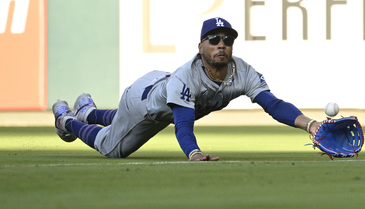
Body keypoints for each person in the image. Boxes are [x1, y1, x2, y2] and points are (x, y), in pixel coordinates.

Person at [52, 17, 322, 161]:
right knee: (112, 149)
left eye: (227, 40)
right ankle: (67, 120)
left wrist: (310, 125)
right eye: (213, 39)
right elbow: (182, 125)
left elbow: (273, 105)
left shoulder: (243, 71)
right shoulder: (187, 78)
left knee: (124, 120)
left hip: (158, 89)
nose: (221, 44)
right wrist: (193, 152)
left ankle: (88, 112)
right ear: (200, 47)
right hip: (143, 104)